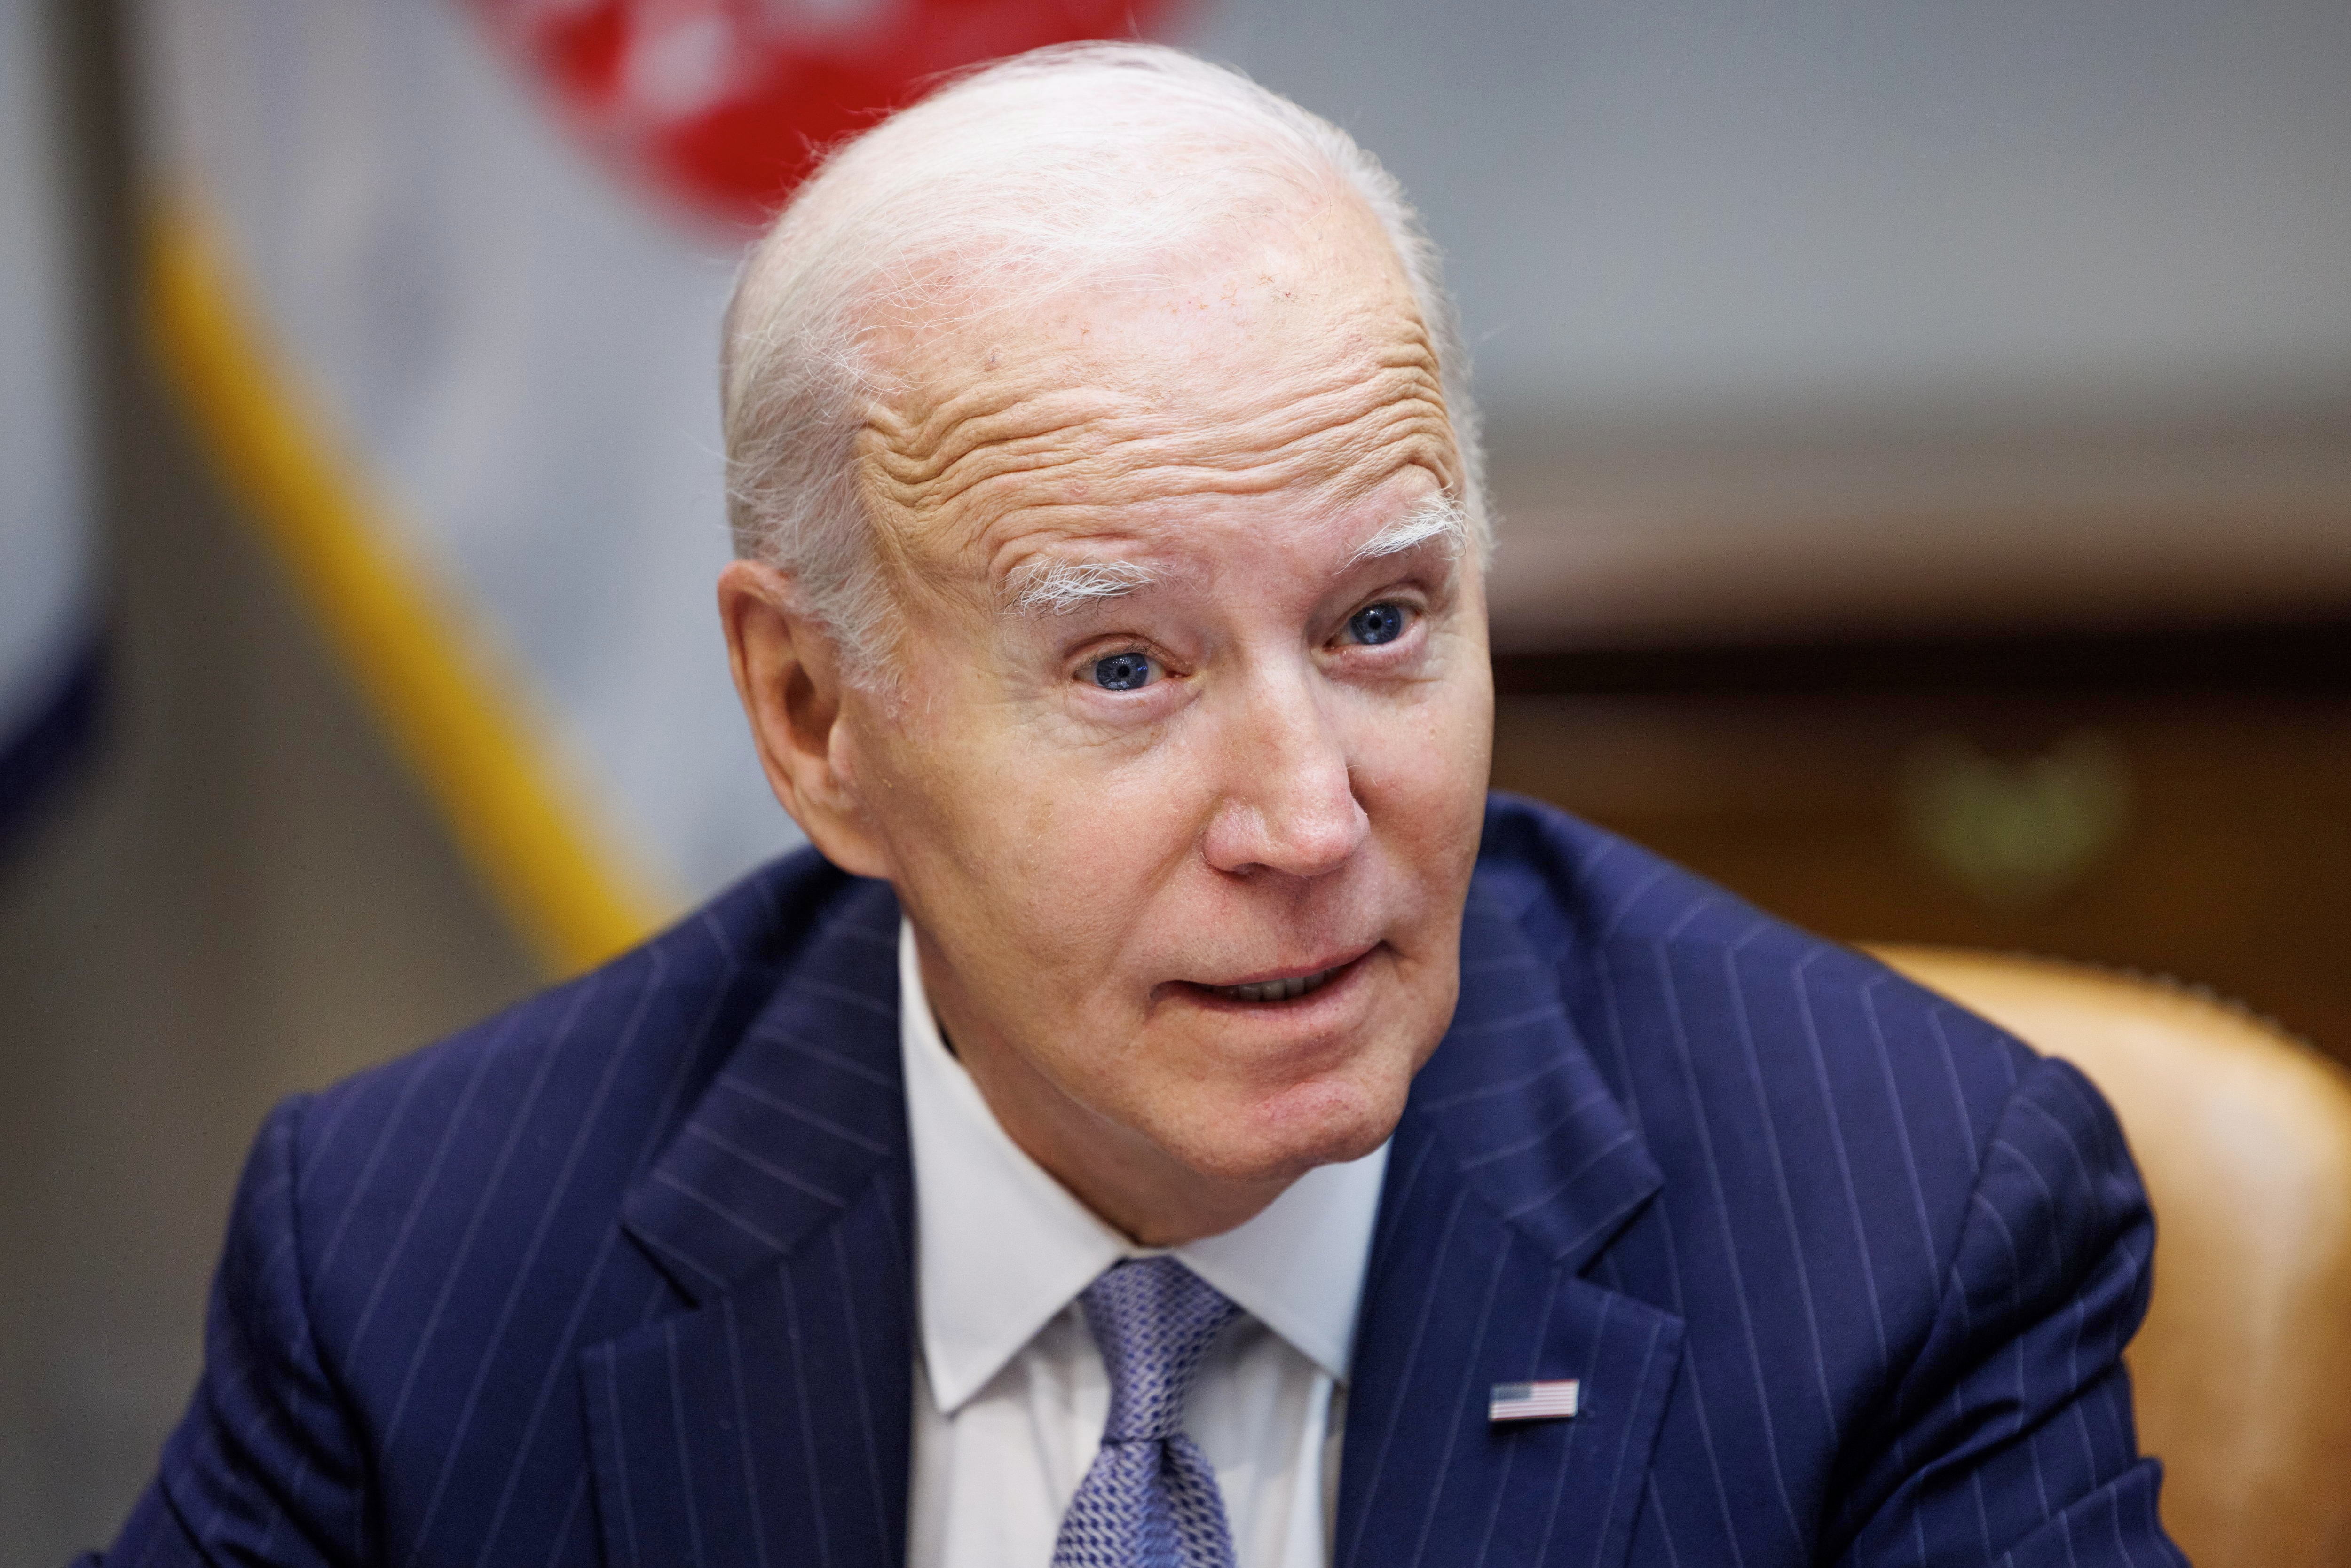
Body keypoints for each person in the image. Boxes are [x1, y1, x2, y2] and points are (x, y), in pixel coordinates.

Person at [85, 43, 2185, 1568]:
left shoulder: (1906, 1221)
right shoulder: (420, 1262)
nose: (1307, 821)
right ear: (813, 718)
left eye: (1377, 623)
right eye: (1124, 669)